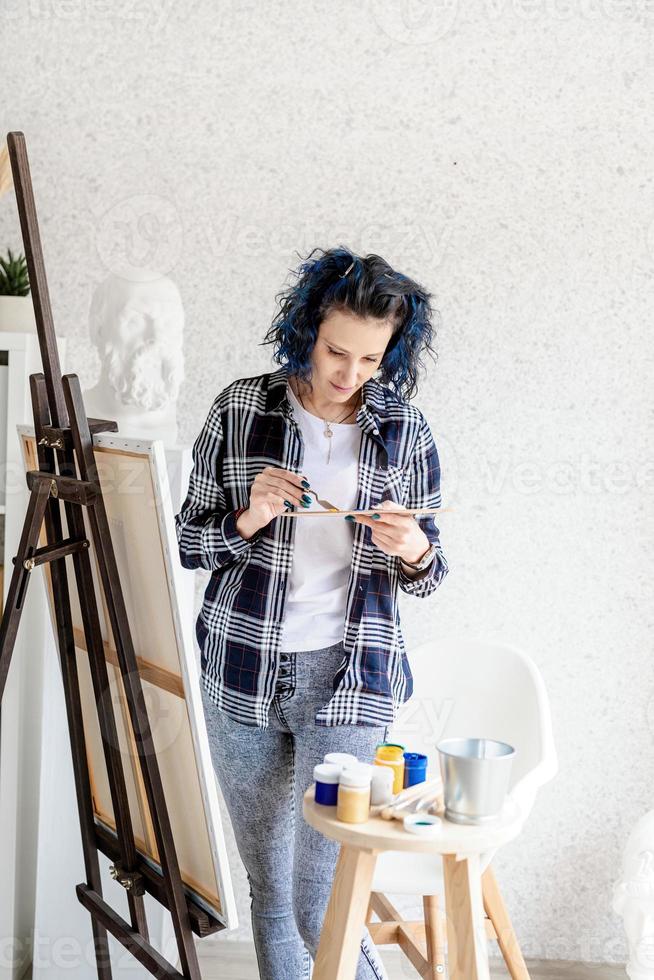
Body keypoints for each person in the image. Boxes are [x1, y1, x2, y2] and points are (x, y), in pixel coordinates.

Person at [174, 246, 450, 979]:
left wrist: (414, 547)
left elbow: (432, 572)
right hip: (240, 672)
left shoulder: (406, 431)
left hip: (351, 676)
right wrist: (248, 515)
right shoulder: (241, 407)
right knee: (270, 890)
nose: (349, 373)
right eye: (336, 351)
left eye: (370, 358)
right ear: (307, 329)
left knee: (319, 895)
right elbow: (188, 543)